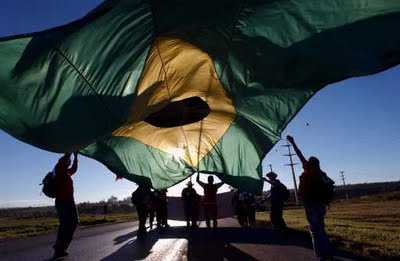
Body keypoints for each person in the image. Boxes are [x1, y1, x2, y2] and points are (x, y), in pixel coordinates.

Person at [287, 135, 334, 260]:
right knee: (321, 228)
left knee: (314, 230)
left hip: (311, 205)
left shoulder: (308, 170)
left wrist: (292, 142)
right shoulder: (322, 173)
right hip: (321, 205)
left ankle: (320, 255)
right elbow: (330, 186)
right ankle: (327, 252)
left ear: (309, 164)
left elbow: (299, 154)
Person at [53, 152, 79, 259]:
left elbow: (74, 169)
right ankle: (59, 248)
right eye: (67, 161)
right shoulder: (59, 170)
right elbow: (62, 162)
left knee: (71, 224)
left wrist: (76, 157)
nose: (68, 163)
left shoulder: (66, 172)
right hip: (63, 202)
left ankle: (61, 248)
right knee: (66, 225)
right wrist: (69, 153)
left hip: (68, 201)